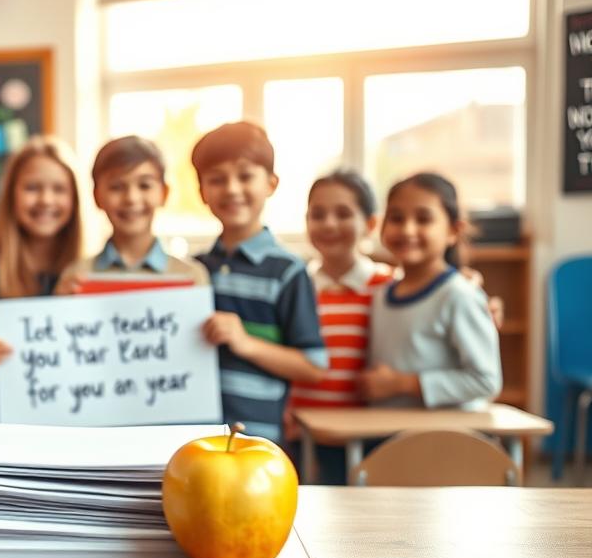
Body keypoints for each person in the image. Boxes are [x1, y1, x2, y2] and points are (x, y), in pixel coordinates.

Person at [192, 122, 327, 444]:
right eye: (217, 179)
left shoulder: (288, 271)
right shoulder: (193, 271)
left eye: (245, 176)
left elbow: (313, 366)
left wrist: (245, 342)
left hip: (256, 441)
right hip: (193, 437)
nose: (232, 189)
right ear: (201, 192)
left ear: (271, 183)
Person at [285, 170, 394, 483]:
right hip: (302, 431)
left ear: (370, 224)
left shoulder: (388, 286)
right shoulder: (296, 287)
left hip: (368, 433)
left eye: (343, 214)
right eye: (317, 215)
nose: (329, 224)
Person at [359, 173, 501, 409]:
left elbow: (486, 381)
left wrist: (402, 384)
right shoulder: (380, 295)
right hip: (389, 436)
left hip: (443, 440)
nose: (407, 229)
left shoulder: (459, 294)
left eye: (423, 219)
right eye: (396, 218)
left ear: (454, 231)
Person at [0, 136, 84, 420]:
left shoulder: (88, 271)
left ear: (75, 199)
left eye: (59, 189)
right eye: (32, 188)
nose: (46, 200)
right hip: (10, 426)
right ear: (12, 196)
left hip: (77, 421)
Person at [55, 135, 208, 294]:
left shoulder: (191, 278)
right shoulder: (75, 278)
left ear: (164, 193)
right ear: (96, 197)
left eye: (144, 185)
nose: (131, 198)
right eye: (116, 187)